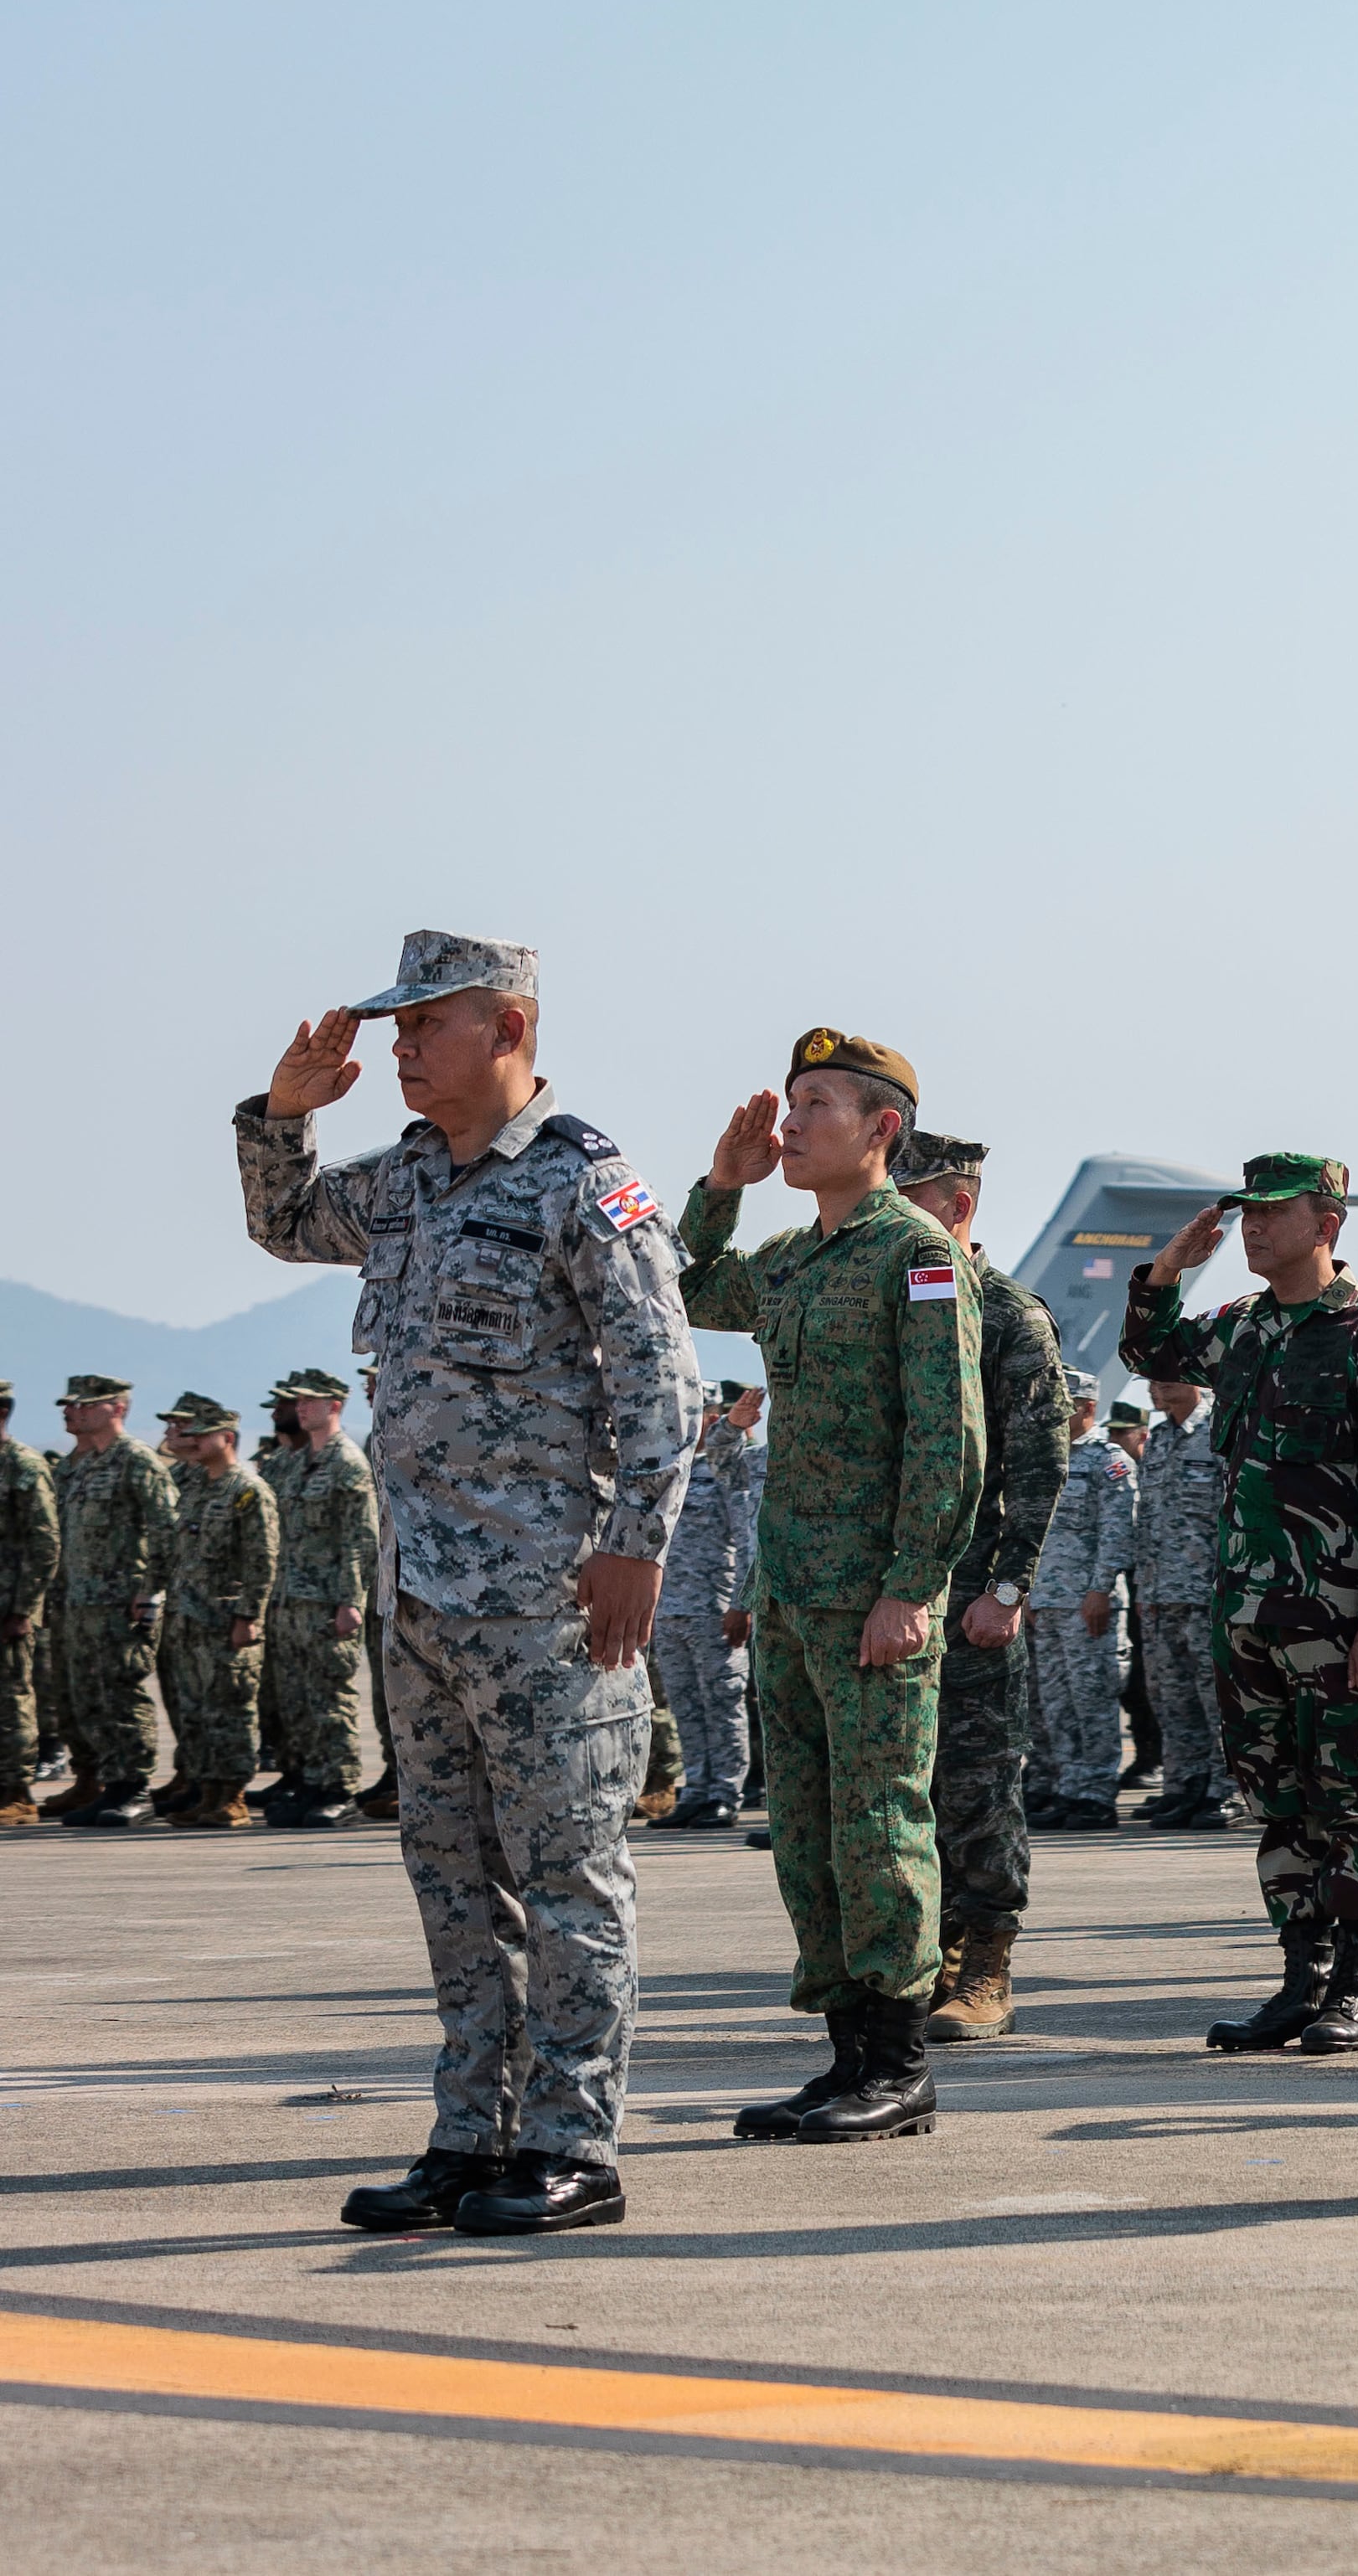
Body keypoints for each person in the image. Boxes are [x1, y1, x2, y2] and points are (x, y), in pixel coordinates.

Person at [239, 930, 705, 2233]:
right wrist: (283, 1112)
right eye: (393, 1027)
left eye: (420, 1024)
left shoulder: (581, 1182)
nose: (395, 1046)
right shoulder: (401, 1184)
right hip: (421, 1599)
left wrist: (638, 1545)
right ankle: (471, 2131)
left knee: (568, 1875)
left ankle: (572, 2144)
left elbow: (662, 1378)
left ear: (504, 1028)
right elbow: (283, 1221)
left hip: (551, 1599)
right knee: (452, 1879)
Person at [678, 1031, 986, 2147]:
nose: (791, 1124)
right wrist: (719, 1184)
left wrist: (911, 1585)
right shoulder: (796, 1258)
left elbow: (949, 1440)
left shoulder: (920, 1256)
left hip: (873, 1599)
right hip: (792, 1590)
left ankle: (900, 2061)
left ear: (882, 1131)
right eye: (789, 1105)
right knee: (806, 1825)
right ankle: (848, 2051)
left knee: (880, 1817)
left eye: (815, 1105)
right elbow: (687, 1288)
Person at [1123, 1151, 1358, 2058]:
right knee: (1275, 1797)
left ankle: (1357, 1985)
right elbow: (1151, 1351)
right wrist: (1168, 1270)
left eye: (1273, 1212)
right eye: (1246, 1213)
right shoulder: (1244, 1326)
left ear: (1326, 1222)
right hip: (1247, 1610)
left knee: (1349, 1794)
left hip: (1335, 1612)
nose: (1253, 1227)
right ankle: (1300, 1978)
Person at [882, 1131, 1070, 2039]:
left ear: (955, 1208)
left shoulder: (1005, 1315)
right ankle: (919, 1954)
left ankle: (984, 1961)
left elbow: (1040, 1465)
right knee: (899, 1784)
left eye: (906, 1200)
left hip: (969, 1597)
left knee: (976, 1778)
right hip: (886, 1591)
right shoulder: (884, 1302)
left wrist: (1006, 1588)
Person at [47, 1375, 175, 1828]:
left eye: (85, 1405)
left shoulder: (135, 1461)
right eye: (69, 1405)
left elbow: (167, 1528)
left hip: (122, 1603)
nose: (72, 1412)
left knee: (122, 1696)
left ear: (118, 1408)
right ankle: (106, 1784)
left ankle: (134, 1789)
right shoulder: (72, 1467)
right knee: (87, 1699)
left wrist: (151, 1590)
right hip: (77, 1604)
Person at [256, 1371, 380, 1829]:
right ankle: (309, 1781)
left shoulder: (347, 1463)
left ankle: (338, 1788)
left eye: (311, 1401)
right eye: (298, 1402)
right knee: (297, 1699)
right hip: (290, 1600)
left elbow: (359, 1538)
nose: (301, 1408)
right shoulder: (292, 1463)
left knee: (331, 1697)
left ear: (335, 1406)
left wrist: (350, 1600)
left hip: (327, 1601)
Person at [149, 1395, 279, 1829]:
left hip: (225, 1621)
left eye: (202, 1434)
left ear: (226, 1437)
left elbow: (262, 1560)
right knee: (197, 1710)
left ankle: (233, 1797)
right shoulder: (197, 1486)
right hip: (189, 1618)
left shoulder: (246, 1490)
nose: (192, 1440)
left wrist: (249, 1617)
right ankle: (208, 1793)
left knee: (231, 1709)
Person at [647, 1384, 764, 1833]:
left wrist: (741, 1603)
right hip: (670, 1611)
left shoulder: (728, 1470)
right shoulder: (667, 1472)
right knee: (685, 1706)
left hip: (715, 1608)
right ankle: (695, 1791)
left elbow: (745, 1539)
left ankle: (725, 1794)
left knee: (723, 1704)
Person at [1029, 1369, 1139, 1833]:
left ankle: (1096, 1794)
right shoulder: (1044, 1457)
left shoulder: (1106, 1459)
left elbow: (1118, 1531)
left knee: (1092, 1700)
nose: (1054, 1410)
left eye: (1064, 1402)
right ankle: (1069, 1787)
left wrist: (1099, 1590)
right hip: (1048, 1602)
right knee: (1056, 1703)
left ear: (1087, 1407)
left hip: (1088, 1602)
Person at [1125, 1384, 1234, 1830]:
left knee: (1217, 1700)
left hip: (1206, 1592)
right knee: (1171, 1699)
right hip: (1158, 1592)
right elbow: (1147, 1516)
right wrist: (1142, 1588)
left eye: (1165, 1380)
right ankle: (1185, 1784)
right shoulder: (1160, 1437)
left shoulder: (1219, 1431)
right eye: (1151, 1381)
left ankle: (1228, 1790)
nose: (1155, 1389)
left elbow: (1233, 1513)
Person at [0, 1383, 55, 1828]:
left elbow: (45, 1543)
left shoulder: (22, 1465)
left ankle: (17, 1792)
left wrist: (24, 1608)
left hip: (7, 1608)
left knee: (12, 1698)